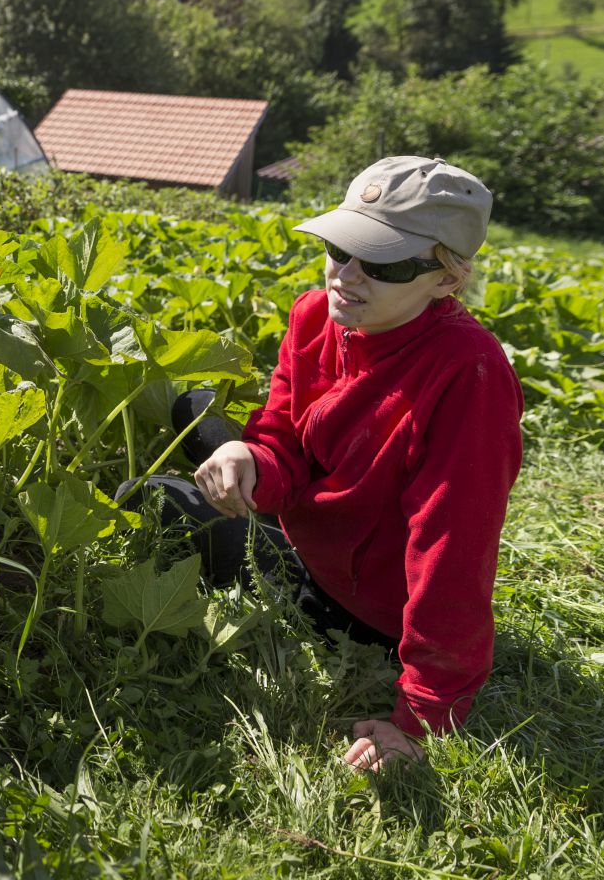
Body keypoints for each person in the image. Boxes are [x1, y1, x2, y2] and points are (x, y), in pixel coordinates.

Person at [130, 156, 522, 770]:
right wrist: (251, 453)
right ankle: (230, 465)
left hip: (353, 598)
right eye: (340, 249)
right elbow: (284, 431)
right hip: (312, 519)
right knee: (197, 414)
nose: (347, 275)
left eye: (383, 263)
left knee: (151, 491)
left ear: (446, 280)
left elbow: (453, 550)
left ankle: (259, 536)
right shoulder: (316, 313)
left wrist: (421, 717)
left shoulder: (467, 376)